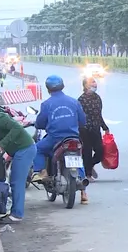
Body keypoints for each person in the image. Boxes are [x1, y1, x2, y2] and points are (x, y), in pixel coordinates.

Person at [32, 75, 88, 203]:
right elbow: (83, 121)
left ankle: (42, 172)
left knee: (36, 149)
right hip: (73, 138)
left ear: (48, 88)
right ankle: (84, 193)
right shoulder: (74, 102)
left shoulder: (46, 104)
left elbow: (40, 123)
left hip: (54, 139)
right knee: (77, 158)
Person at [78, 77, 109, 181]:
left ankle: (89, 165)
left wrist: (104, 127)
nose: (95, 84)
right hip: (84, 130)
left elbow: (98, 114)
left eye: (95, 82)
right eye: (92, 82)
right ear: (86, 86)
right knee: (87, 151)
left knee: (100, 151)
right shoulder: (81, 100)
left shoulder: (97, 98)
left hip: (95, 128)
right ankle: (88, 174)